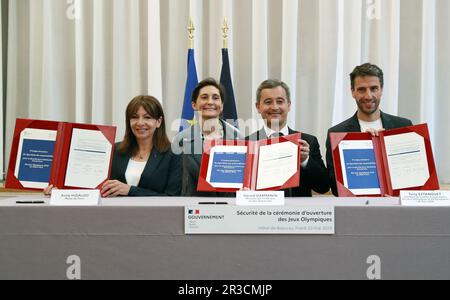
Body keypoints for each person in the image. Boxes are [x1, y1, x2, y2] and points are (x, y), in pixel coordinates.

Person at [44, 95, 182, 197]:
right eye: (134, 117)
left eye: (147, 117)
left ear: (158, 122)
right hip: (114, 221)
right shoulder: (114, 150)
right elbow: (92, 186)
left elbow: (173, 197)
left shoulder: (173, 154)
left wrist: (130, 190)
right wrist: (60, 192)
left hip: (156, 224)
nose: (140, 123)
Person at [326, 63, 413, 196]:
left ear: (381, 90)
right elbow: (335, 188)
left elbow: (411, 173)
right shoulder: (337, 133)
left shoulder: (403, 126)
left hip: (396, 209)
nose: (368, 95)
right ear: (352, 92)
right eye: (361, 89)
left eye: (374, 88)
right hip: (357, 211)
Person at [246, 79, 330, 197]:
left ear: (289, 105)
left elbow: (323, 187)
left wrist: (305, 161)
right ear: (258, 106)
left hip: (296, 214)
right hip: (259, 212)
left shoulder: (308, 141)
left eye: (280, 101)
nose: (275, 107)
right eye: (268, 102)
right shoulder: (246, 143)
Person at [172, 78, 243, 197]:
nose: (210, 102)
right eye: (204, 97)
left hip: (230, 209)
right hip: (194, 210)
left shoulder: (238, 138)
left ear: (222, 105)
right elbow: (177, 184)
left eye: (215, 98)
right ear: (194, 105)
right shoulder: (181, 140)